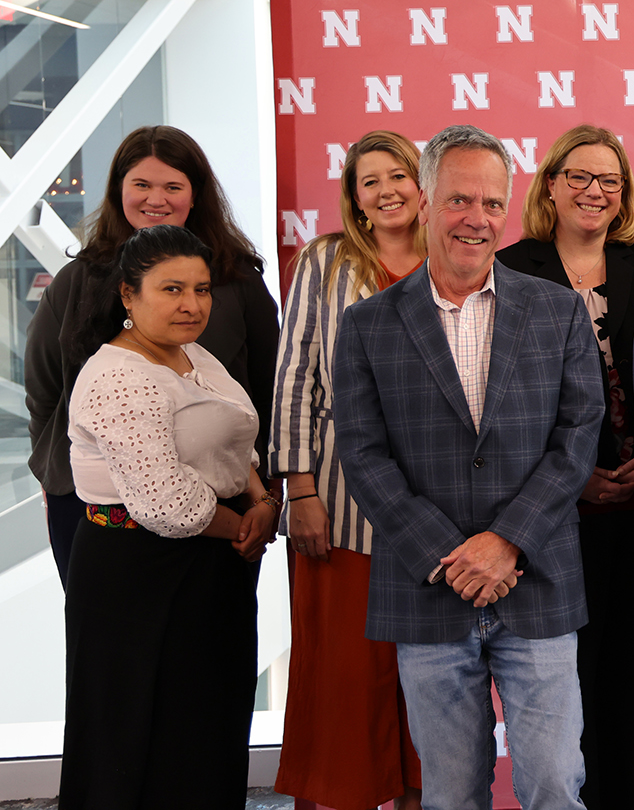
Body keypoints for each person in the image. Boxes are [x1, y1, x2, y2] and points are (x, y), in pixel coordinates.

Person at [334, 124, 604, 810]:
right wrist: (451, 554)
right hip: (429, 590)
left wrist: (506, 539)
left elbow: (578, 435)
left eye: (490, 203)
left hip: (536, 580)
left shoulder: (558, 311)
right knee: (450, 795)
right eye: (458, 200)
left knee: (552, 783)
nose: (475, 219)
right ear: (424, 201)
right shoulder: (366, 325)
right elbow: (363, 455)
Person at [59, 224, 279, 808]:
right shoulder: (117, 376)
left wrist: (262, 502)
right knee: (135, 737)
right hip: (138, 572)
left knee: (208, 728)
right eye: (172, 289)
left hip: (217, 565)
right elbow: (166, 505)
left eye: (203, 290)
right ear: (128, 296)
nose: (192, 304)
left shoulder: (194, 354)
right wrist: (247, 527)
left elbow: (236, 443)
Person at [496, 125, 634, 810]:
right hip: (551, 515)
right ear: (550, 183)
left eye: (609, 180)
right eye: (578, 176)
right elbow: (499, 397)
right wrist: (572, 475)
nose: (593, 191)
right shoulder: (511, 269)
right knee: (563, 686)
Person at [27, 125, 280, 587]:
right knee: (114, 645)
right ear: (118, 189)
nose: (155, 199)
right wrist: (53, 472)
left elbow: (267, 385)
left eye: (172, 186)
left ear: (195, 194)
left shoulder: (237, 280)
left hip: (225, 500)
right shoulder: (76, 281)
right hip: (94, 510)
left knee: (213, 643)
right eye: (141, 184)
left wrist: (263, 499)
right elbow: (45, 391)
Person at [270, 130, 425, 810]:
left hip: (436, 505)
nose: (387, 189)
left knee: (427, 672)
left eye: (399, 174)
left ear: (423, 185)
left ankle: (425, 791)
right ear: (354, 198)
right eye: (371, 181)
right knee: (342, 671)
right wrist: (298, 488)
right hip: (338, 503)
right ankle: (334, 797)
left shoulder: (455, 256)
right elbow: (293, 375)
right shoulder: (326, 261)